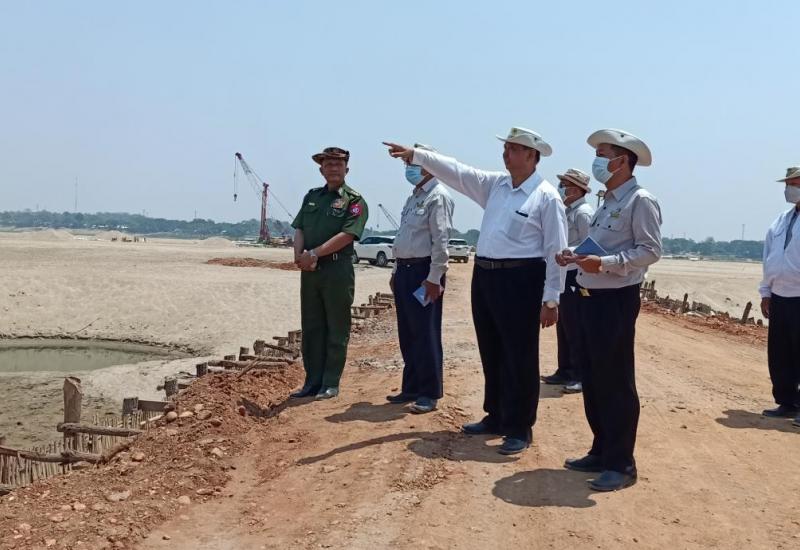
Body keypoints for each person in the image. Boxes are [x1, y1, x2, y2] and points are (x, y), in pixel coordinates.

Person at [384, 127, 567, 455]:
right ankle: (495, 415)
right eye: (506, 148)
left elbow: (557, 250)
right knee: (491, 349)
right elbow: (458, 171)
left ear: (531, 155)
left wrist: (552, 297)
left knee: (520, 355)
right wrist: (417, 155)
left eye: (513, 149)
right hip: (485, 275)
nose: (505, 154)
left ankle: (519, 427)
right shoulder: (496, 185)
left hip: (521, 279)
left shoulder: (546, 196)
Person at [557, 128, 662, 491]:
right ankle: (601, 449)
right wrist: (575, 255)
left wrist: (604, 264)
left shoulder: (640, 201)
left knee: (616, 380)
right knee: (593, 376)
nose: (597, 161)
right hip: (589, 296)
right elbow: (598, 245)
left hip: (615, 299)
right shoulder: (607, 201)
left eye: (602, 155)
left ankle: (621, 463)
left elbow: (650, 251)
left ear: (622, 161)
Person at [290, 147, 369, 400]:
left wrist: (314, 253)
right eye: (328, 164)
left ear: (347, 169)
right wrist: (299, 256)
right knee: (312, 327)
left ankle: (330, 382)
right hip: (310, 271)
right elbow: (300, 227)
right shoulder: (312, 196)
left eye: (338, 164)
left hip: (337, 270)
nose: (333, 168)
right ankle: (311, 382)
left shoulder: (354, 201)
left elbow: (348, 235)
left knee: (337, 326)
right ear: (321, 170)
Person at [387, 143, 455, 414]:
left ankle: (429, 392)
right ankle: (412, 386)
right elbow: (404, 237)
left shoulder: (438, 196)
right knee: (408, 332)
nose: (408, 169)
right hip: (405, 271)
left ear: (430, 165)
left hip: (424, 273)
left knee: (426, 333)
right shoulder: (415, 196)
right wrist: (395, 272)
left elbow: (441, 241)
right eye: (407, 164)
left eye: (412, 163)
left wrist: (434, 277)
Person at [541, 168, 594, 393]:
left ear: (576, 189)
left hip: (576, 274)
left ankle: (579, 375)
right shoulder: (566, 210)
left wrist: (569, 252)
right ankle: (564, 370)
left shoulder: (583, 213)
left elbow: (590, 244)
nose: (561, 188)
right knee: (564, 324)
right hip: (564, 273)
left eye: (564, 184)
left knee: (576, 326)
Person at [758, 166, 800, 425]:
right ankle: (787, 402)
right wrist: (766, 292)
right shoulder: (781, 221)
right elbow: (769, 258)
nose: (789, 189)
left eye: (795, 184)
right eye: (788, 184)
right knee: (780, 352)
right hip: (780, 295)